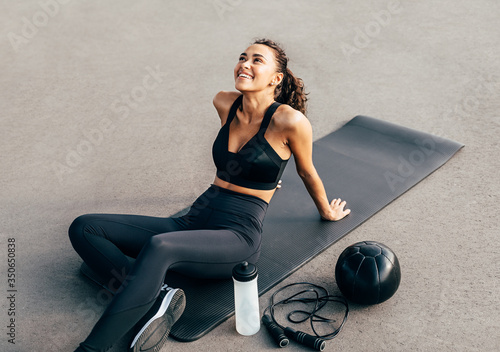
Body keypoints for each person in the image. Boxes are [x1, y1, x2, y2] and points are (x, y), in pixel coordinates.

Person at [69, 38, 350, 352]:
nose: (245, 64)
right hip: (195, 219)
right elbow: (241, 161)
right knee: (84, 227)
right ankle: (157, 296)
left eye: (257, 60)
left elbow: (306, 170)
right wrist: (255, 172)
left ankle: (91, 349)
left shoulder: (290, 121)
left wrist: (325, 210)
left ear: (276, 78)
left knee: (159, 246)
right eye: (242, 57)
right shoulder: (224, 102)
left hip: (236, 236)